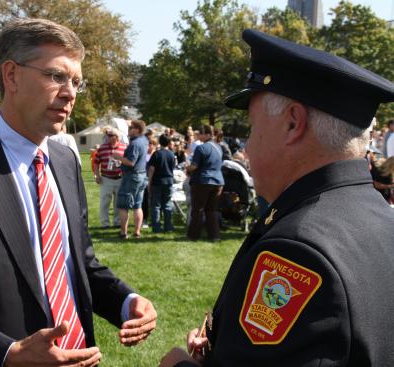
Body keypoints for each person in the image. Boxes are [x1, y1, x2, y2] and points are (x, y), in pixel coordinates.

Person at [0, 18, 156, 367]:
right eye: (56, 76)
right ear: (12, 75)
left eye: (76, 81)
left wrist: (127, 301)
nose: (71, 92)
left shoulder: (64, 161)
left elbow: (79, 264)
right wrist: (7, 354)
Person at [160, 29, 394, 367]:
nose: (248, 147)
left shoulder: (297, 253)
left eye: (253, 128)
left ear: (292, 123)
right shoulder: (382, 217)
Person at [186, 125, 224, 241]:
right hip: (218, 182)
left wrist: (187, 168)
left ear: (208, 135)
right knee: (211, 210)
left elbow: (194, 166)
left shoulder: (201, 148)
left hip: (202, 181)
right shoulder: (219, 147)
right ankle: (214, 236)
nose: (199, 135)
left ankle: (193, 236)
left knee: (198, 210)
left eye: (201, 133)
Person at [114, 119, 148, 239]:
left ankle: (123, 233)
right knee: (137, 205)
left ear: (137, 130)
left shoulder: (135, 144)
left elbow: (130, 162)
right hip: (142, 175)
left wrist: (118, 157)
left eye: (131, 127)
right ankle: (137, 232)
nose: (129, 130)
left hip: (132, 176)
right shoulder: (144, 140)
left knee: (123, 205)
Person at [92, 128, 126, 229]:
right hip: (106, 178)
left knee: (118, 202)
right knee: (104, 202)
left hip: (120, 178)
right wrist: (97, 175)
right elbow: (96, 162)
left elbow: (128, 162)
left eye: (111, 135)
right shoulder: (102, 148)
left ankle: (117, 222)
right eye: (108, 135)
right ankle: (105, 223)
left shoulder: (124, 148)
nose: (109, 137)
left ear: (117, 137)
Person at [147, 134, 176, 233]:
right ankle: (168, 227)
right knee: (167, 204)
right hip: (168, 182)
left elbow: (151, 169)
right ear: (169, 143)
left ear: (159, 142)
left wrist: (149, 182)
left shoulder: (156, 154)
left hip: (157, 182)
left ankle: (156, 227)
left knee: (156, 205)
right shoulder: (172, 154)